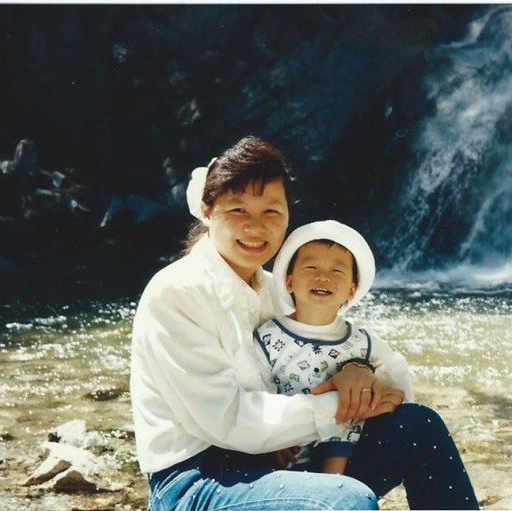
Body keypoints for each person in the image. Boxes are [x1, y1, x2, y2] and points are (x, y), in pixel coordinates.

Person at [130, 135, 480, 510]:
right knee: (345, 503)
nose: (255, 227)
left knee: (419, 427)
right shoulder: (177, 292)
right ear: (207, 210)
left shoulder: (275, 291)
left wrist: (357, 371)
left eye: (271, 212)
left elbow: (331, 349)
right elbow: (227, 421)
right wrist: (345, 408)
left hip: (284, 456)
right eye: (238, 211)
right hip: (197, 481)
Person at [254, 220, 414, 475]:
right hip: (287, 447)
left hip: (344, 454)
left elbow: (395, 369)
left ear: (351, 290)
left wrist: (395, 400)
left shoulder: (362, 341)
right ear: (289, 281)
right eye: (311, 267)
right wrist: (268, 437)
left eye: (337, 271)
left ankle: (335, 486)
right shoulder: (269, 336)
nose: (323, 277)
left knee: (341, 436)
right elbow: (258, 388)